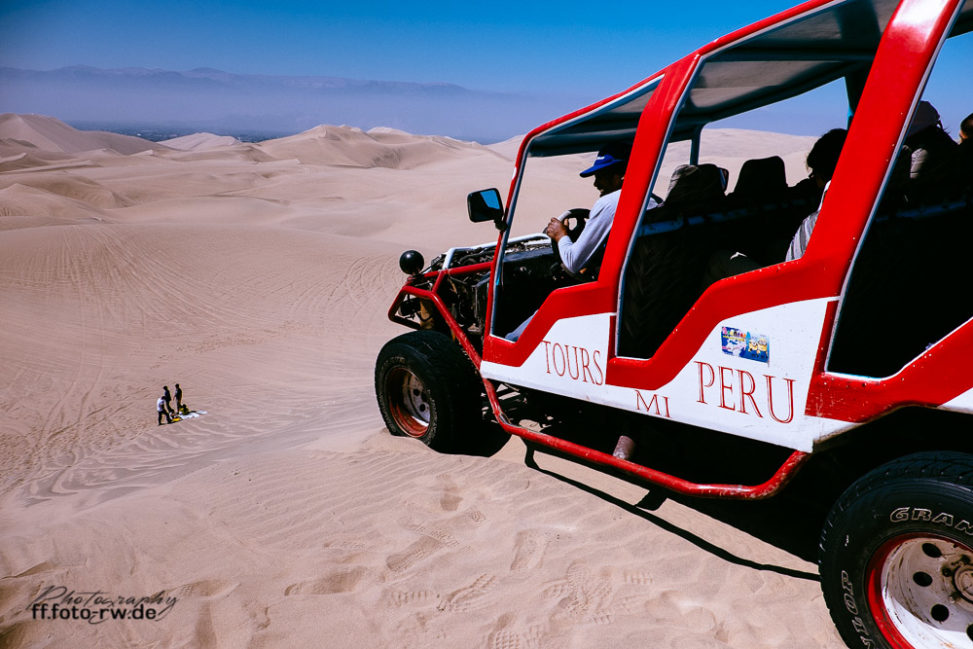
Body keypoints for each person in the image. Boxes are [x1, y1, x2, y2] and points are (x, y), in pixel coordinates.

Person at [506, 143, 650, 342]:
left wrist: (561, 235)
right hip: (638, 293)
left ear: (620, 176)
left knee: (517, 336)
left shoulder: (609, 203)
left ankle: (510, 345)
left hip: (608, 298)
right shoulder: (650, 198)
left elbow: (573, 262)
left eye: (600, 176)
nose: (596, 184)